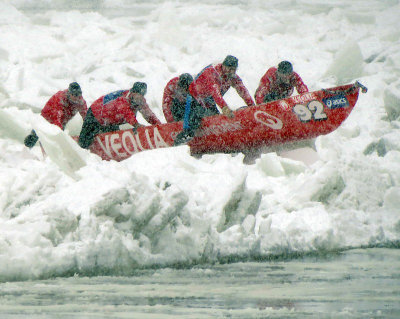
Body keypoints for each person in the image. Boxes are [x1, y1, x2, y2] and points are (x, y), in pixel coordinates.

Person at [174, 55, 255, 145]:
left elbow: (243, 91)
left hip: (208, 102)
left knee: (216, 122)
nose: (230, 72)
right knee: (195, 119)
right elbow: (215, 92)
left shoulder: (233, 77)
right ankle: (183, 138)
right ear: (223, 66)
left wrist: (252, 106)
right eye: (229, 68)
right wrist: (225, 108)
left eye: (233, 69)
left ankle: (214, 142)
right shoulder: (212, 73)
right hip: (194, 98)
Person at [78, 82, 161, 149]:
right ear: (133, 92)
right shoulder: (123, 99)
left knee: (111, 135)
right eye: (139, 96)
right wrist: (137, 125)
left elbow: (148, 114)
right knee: (84, 141)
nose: (140, 99)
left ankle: (103, 145)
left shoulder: (140, 100)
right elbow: (127, 113)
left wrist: (159, 125)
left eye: (142, 96)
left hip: (111, 120)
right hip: (95, 114)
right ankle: (81, 146)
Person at [23, 82, 87, 148]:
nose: (77, 97)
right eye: (74, 94)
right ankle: (26, 149)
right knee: (36, 135)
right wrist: (59, 135)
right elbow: (57, 118)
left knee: (59, 138)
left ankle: (52, 152)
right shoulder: (61, 99)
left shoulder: (80, 102)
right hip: (47, 117)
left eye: (79, 94)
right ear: (69, 93)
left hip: (62, 121)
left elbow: (86, 117)